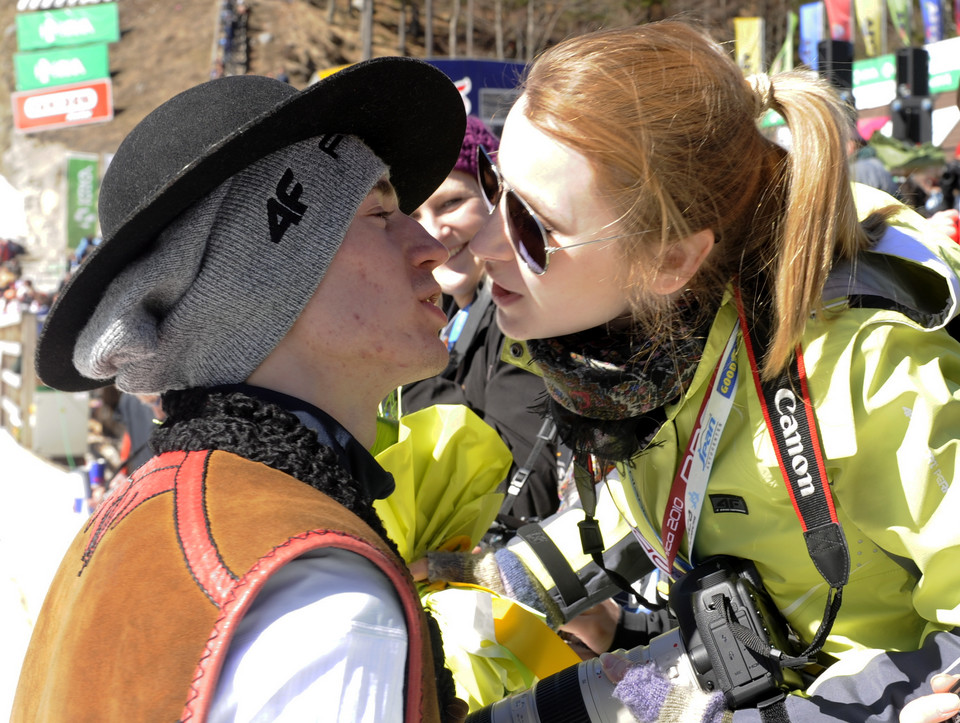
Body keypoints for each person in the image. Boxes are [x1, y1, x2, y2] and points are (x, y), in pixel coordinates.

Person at [425, 20, 960, 722]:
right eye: (497, 191)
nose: (488, 242)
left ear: (671, 260)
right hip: (739, 668)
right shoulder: (659, 335)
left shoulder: (864, 363)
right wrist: (478, 577)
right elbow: (653, 493)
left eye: (533, 226)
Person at [12, 58, 469, 723]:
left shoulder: (133, 517)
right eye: (377, 214)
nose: (429, 245)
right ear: (259, 288)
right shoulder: (322, 597)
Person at [403, 114, 560, 529]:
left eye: (451, 203)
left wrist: (410, 365)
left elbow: (523, 496)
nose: (433, 232)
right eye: (414, 216)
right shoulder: (454, 310)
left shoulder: (521, 315)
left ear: (496, 199)